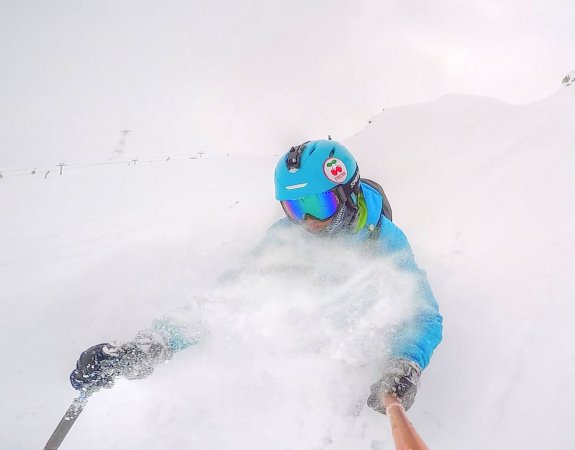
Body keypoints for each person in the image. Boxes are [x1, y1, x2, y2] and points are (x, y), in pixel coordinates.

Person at [69, 139, 443, 414]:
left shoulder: (384, 242)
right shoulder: (286, 238)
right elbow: (227, 297)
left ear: (347, 193)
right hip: (302, 354)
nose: (308, 222)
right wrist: (151, 347)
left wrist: (404, 364)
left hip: (354, 361)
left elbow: (422, 314)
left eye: (319, 204)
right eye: (294, 208)